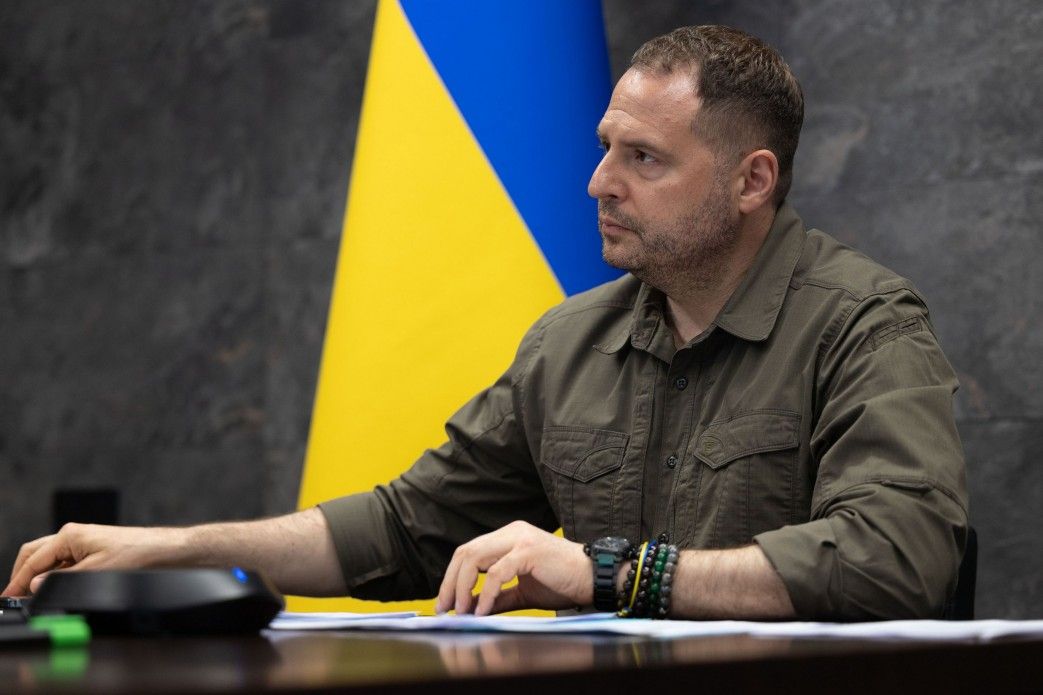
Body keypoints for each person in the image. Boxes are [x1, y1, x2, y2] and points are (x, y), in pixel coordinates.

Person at [4, 25, 968, 621]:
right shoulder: (568, 343)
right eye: (603, 148)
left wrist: (609, 573)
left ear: (751, 180)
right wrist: (169, 547)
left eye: (643, 158)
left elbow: (895, 557)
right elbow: (403, 525)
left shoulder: (863, 324)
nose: (597, 183)